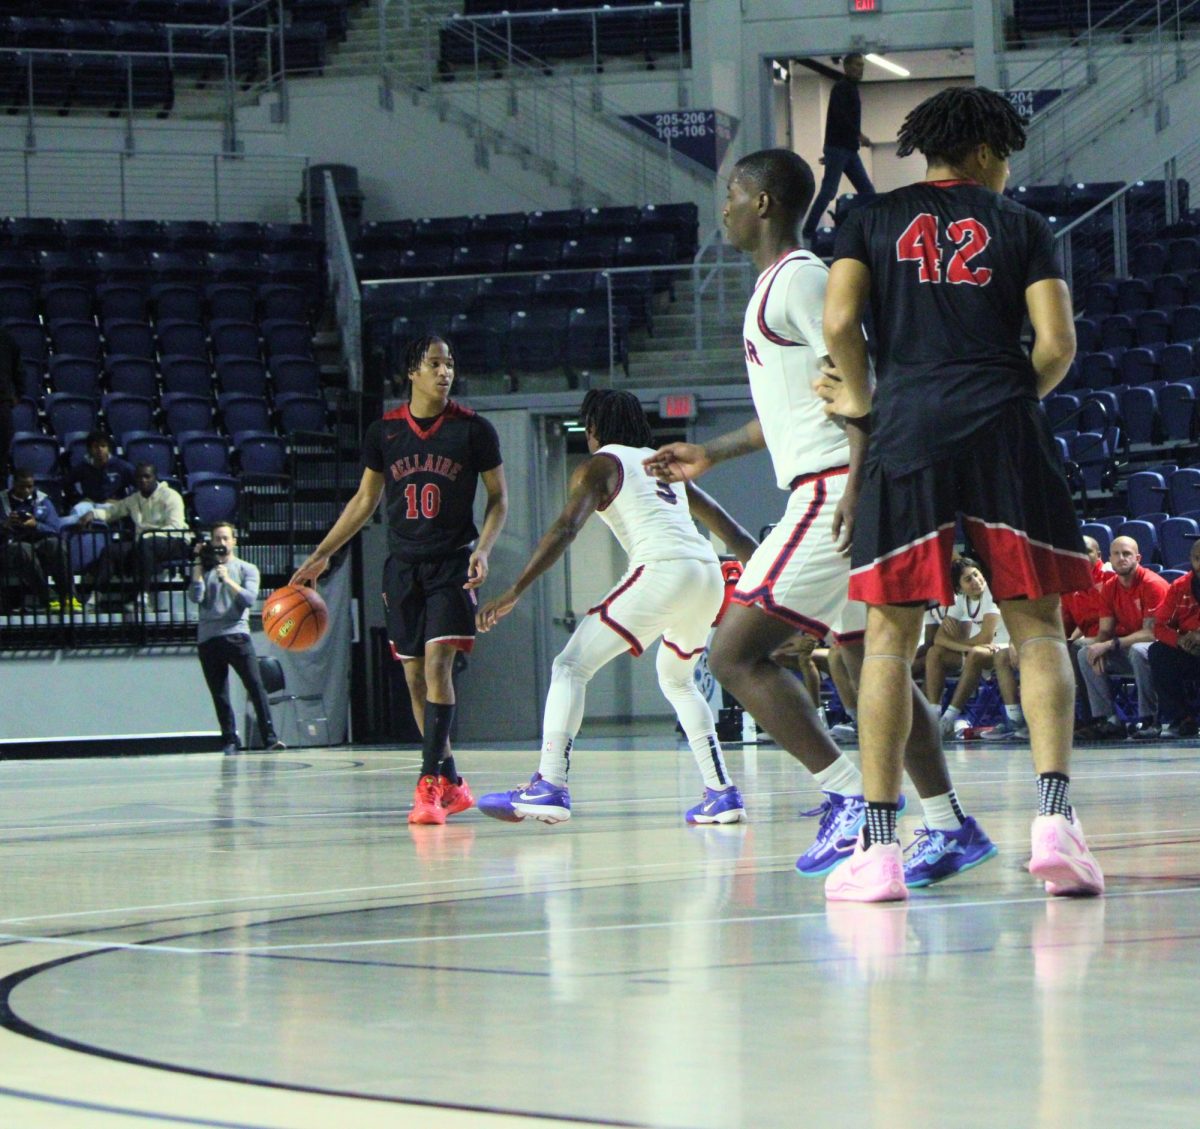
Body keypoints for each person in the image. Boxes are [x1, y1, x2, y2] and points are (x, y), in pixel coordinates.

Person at [646, 147, 995, 887]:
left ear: (764, 202)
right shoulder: (779, 286)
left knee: (732, 653)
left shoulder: (801, 278)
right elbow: (806, 401)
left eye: (732, 193)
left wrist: (859, 483)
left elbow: (863, 377)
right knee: (877, 670)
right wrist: (709, 451)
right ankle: (947, 824)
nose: (724, 207)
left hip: (836, 486)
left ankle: (842, 794)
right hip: (833, 479)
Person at [816, 85, 1103, 901]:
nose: (1009, 169)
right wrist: (1013, 400)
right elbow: (1056, 343)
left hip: (906, 426)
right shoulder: (1023, 225)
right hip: (1003, 421)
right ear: (983, 153)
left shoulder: (868, 219)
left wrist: (871, 399)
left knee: (887, 641)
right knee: (1037, 626)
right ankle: (1054, 823)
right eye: (1005, 153)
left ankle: (877, 849)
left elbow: (839, 322)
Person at [475, 389, 758, 825]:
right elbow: (733, 532)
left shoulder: (602, 463)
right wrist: (777, 585)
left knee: (570, 666)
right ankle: (721, 793)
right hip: (707, 574)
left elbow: (567, 527)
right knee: (678, 680)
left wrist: (516, 588)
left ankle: (549, 783)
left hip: (664, 569)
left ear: (593, 428)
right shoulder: (665, 466)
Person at [291, 335, 508, 826]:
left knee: (438, 667)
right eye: (434, 364)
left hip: (452, 564)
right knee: (413, 676)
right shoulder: (384, 432)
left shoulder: (474, 430)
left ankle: (429, 784)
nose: (445, 372)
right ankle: (450, 779)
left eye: (450, 363)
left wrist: (485, 548)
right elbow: (364, 501)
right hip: (402, 566)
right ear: (412, 371)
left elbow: (498, 499)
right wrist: (324, 554)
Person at [188, 521, 285, 755]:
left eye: (225, 538)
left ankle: (269, 738)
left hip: (236, 635)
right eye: (216, 539)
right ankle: (230, 739)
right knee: (220, 693)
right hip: (209, 638)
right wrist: (198, 565)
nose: (220, 543)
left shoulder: (246, 568)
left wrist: (228, 579)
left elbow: (249, 599)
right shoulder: (206, 569)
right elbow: (195, 595)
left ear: (234, 541)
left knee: (255, 685)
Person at [1078, 534, 1168, 739]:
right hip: (1129, 648)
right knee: (1085, 653)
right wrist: (1099, 646)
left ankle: (1149, 720)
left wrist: (1109, 644)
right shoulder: (1110, 587)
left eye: (1127, 554)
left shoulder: (1152, 584)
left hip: (1160, 649)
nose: (1121, 558)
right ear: (1109, 558)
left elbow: (1152, 633)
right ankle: (1107, 720)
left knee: (1138, 651)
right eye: (1116, 554)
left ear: (1138, 558)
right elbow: (1105, 631)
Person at [924, 557, 1024, 739]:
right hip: (981, 650)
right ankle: (933, 715)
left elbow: (985, 636)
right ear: (959, 588)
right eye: (968, 579)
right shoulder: (961, 600)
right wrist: (964, 647)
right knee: (934, 653)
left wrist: (965, 647)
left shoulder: (991, 593)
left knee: (976, 653)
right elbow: (938, 639)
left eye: (976, 575)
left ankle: (949, 718)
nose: (976, 581)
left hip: (1007, 646)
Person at [78, 462, 188, 607]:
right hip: (143, 543)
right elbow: (112, 512)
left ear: (155, 477)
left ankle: (143, 594)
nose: (143, 480)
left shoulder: (171, 496)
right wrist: (94, 513)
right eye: (139, 477)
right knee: (111, 551)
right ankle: (96, 594)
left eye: (147, 476)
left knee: (145, 544)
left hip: (174, 541)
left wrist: (146, 536)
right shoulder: (134, 499)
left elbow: (175, 527)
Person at [801, 53, 875, 247]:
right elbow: (841, 119)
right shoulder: (842, 88)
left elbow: (838, 121)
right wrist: (859, 136)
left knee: (868, 192)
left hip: (846, 150)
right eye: (857, 65)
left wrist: (833, 154)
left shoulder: (850, 88)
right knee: (828, 192)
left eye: (862, 65)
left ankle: (871, 230)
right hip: (841, 148)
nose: (861, 69)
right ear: (847, 66)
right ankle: (807, 233)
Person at [1141, 539, 1200, 739]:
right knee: (1158, 652)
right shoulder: (1180, 586)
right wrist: (1180, 640)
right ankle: (1181, 719)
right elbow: (1159, 626)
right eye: (1197, 558)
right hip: (1190, 649)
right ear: (1191, 560)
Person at [0, 468, 75, 611]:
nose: (27, 490)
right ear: (13, 484)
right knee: (23, 548)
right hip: (9, 546)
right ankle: (49, 598)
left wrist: (36, 525)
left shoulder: (42, 499)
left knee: (56, 544)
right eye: (22, 486)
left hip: (39, 542)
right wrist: (5, 525)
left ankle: (70, 596)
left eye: (30, 486)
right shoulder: (1, 500)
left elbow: (55, 528)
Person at [66, 431, 135, 514]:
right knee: (78, 510)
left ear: (108, 448)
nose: (100, 450)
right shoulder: (83, 466)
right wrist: (78, 499)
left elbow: (139, 485)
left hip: (112, 504)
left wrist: (123, 501)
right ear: (89, 449)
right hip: (89, 503)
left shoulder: (121, 466)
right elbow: (66, 483)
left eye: (103, 446)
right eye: (95, 446)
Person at [0, 327, 19, 477]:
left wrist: (19, 393)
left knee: (2, 454)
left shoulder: (6, 339)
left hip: (2, 401)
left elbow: (18, 368)